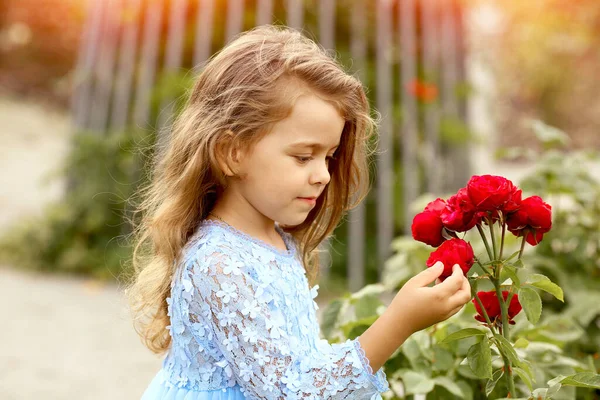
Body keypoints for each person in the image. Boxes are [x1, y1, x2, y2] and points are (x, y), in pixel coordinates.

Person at [126, 24, 471, 399]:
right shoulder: (218, 264)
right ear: (232, 152)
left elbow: (295, 363)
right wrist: (398, 322)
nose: (323, 175)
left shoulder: (276, 240)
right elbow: (294, 392)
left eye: (329, 156)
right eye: (303, 156)